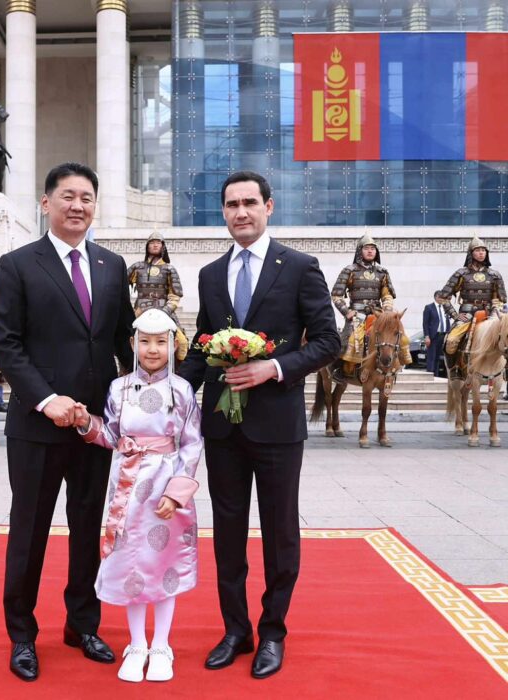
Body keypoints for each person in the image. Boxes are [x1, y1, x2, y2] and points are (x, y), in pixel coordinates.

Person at [178, 171, 340, 680]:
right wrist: (168, 393)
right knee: (227, 533)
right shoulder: (210, 274)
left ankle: (272, 631)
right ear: (223, 212)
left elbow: (328, 341)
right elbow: (204, 344)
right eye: (232, 205)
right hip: (222, 429)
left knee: (279, 532)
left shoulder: (300, 267)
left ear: (268, 207)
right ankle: (235, 630)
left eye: (250, 202)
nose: (241, 212)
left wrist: (275, 368)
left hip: (277, 426)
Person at [0, 162, 134, 682]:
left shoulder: (112, 265)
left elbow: (122, 340)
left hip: (95, 427)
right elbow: (5, 342)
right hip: (38, 426)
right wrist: (46, 399)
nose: (78, 206)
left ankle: (83, 624)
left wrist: (148, 394)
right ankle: (22, 635)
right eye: (68, 196)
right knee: (29, 530)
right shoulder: (17, 265)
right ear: (46, 202)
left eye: (86, 197)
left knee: (89, 527)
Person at [72, 308, 202, 683]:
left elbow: (192, 444)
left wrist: (177, 494)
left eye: (161, 342)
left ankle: (161, 645)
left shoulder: (182, 390)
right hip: (127, 487)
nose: (152, 349)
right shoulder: (119, 388)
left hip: (165, 486)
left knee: (164, 564)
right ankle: (137, 643)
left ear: (173, 345)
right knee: (131, 562)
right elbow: (112, 435)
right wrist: (86, 423)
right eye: (145, 341)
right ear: (133, 344)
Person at [330, 233, 412, 376]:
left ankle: (396, 366)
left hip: (378, 315)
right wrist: (346, 311)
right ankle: (339, 370)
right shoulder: (349, 270)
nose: (370, 251)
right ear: (360, 251)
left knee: (400, 337)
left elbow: (387, 295)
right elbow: (336, 295)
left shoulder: (382, 272)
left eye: (373, 249)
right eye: (366, 248)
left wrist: (387, 310)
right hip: (356, 315)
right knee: (349, 341)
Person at [439, 236, 506, 375]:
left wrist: (496, 312)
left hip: (490, 315)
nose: (481, 253)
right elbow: (443, 297)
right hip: (467, 314)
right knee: (451, 341)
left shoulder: (495, 275)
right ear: (471, 253)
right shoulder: (461, 273)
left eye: (483, 250)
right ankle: (455, 370)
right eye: (478, 250)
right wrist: (455, 315)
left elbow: (500, 300)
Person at [127, 231, 189, 360]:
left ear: (163, 246)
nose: (155, 245)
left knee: (182, 342)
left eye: (158, 243)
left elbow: (175, 295)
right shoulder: (137, 267)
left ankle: (179, 369)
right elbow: (120, 285)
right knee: (125, 339)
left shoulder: (169, 269)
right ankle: (127, 368)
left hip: (163, 310)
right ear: (147, 246)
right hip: (140, 311)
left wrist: (165, 311)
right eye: (152, 242)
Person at [423, 292, 451, 377]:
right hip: (433, 336)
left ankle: (436, 376)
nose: (442, 299)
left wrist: (448, 332)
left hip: (443, 335)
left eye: (443, 297)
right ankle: (430, 375)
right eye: (440, 297)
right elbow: (425, 323)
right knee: (431, 356)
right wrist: (427, 336)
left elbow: (447, 321)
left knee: (438, 357)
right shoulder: (429, 307)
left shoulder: (445, 307)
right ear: (436, 297)